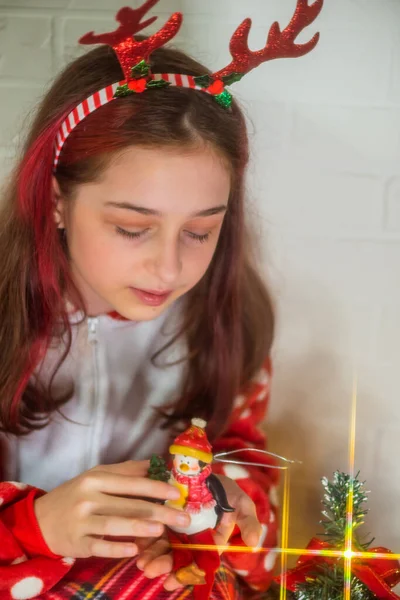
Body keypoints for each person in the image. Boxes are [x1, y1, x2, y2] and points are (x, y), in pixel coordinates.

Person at [0, 1, 322, 598]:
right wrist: (33, 525)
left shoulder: (229, 318)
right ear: (56, 201)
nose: (170, 267)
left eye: (200, 231)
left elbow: (243, 457)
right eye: (131, 227)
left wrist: (227, 502)